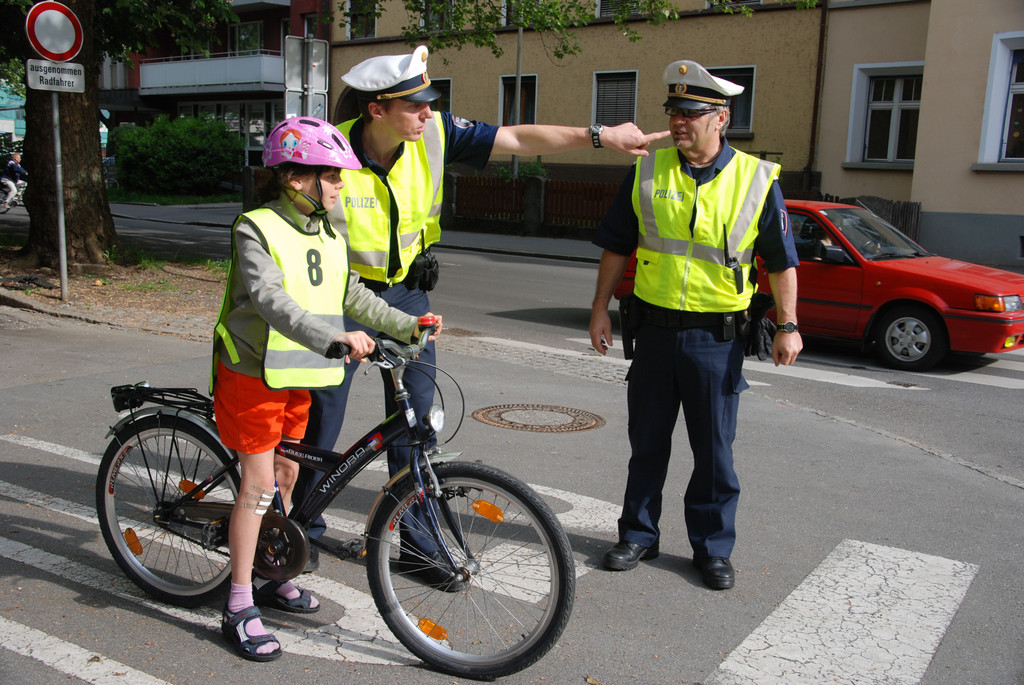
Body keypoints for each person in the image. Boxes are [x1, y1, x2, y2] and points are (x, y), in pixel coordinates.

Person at [297, 45, 668, 576]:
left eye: (431, 104)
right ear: (376, 109)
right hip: (344, 300)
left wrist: (599, 136)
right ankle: (301, 528)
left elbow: (515, 138)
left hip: (406, 297)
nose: (429, 114)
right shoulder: (331, 153)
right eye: (416, 105)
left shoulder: (433, 135)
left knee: (417, 423)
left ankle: (421, 547)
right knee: (322, 421)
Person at [210, 116, 440, 661]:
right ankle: (239, 604)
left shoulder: (329, 234)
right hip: (252, 372)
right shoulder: (256, 227)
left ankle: (270, 570)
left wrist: (408, 324)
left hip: (300, 375)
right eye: (332, 176)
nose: (340, 185)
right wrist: (332, 336)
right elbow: (270, 300)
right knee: (259, 486)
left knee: (289, 474)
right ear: (295, 178)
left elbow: (352, 294)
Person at [588, 60, 802, 591]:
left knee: (714, 452)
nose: (678, 122)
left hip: (716, 339)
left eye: (691, 113)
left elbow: (781, 261)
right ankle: (638, 535)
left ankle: (711, 549)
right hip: (655, 333)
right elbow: (617, 247)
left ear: (721, 117)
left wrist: (788, 324)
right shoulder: (646, 171)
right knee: (648, 444)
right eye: (673, 112)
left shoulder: (756, 179)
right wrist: (599, 309)